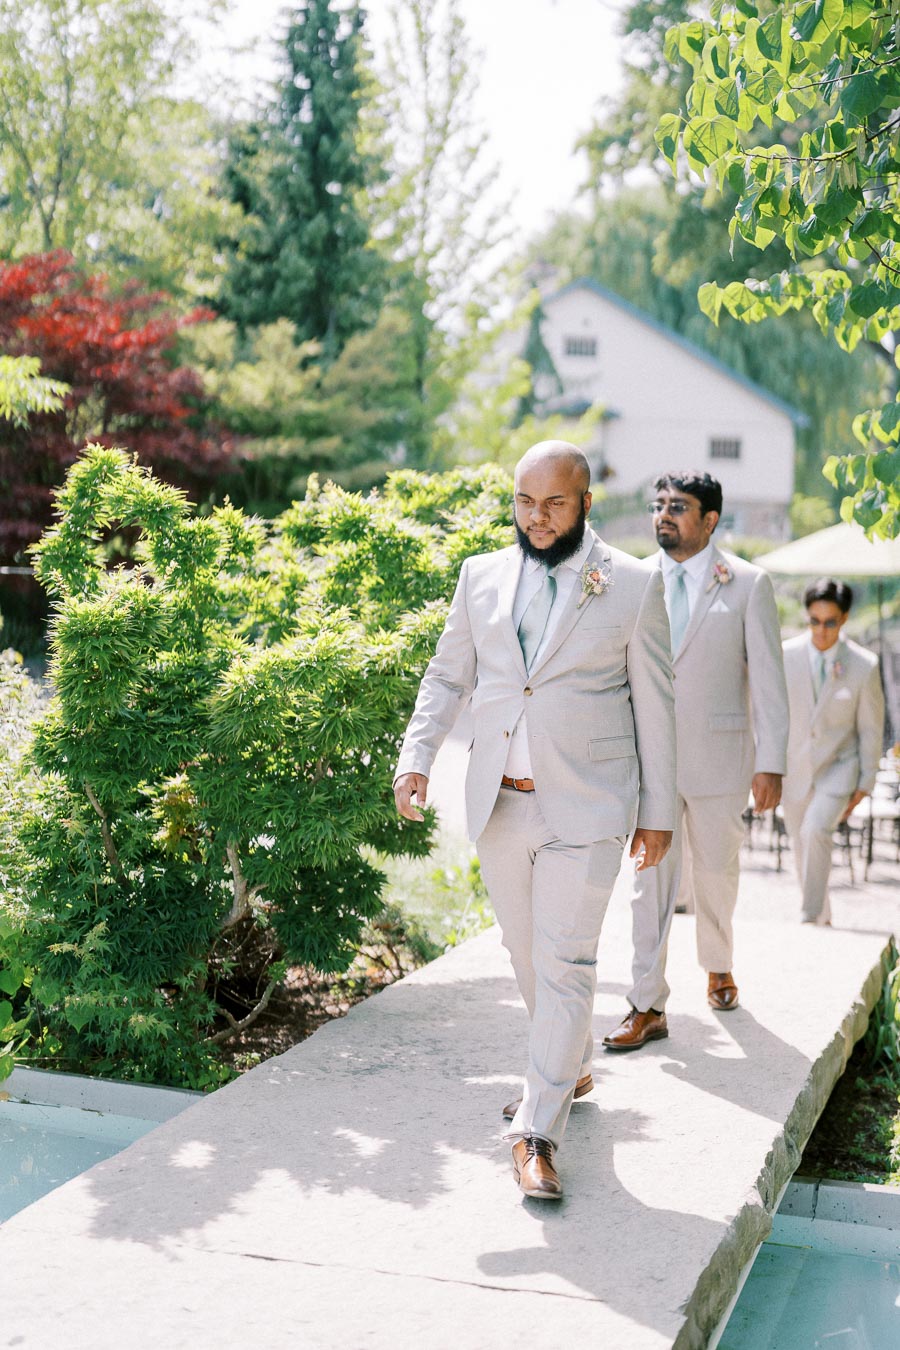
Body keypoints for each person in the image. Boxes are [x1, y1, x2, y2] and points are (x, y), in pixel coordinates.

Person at [394, 441, 675, 1200]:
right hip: (501, 802)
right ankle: (569, 1064)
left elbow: (656, 703)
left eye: (553, 503)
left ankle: (536, 1133)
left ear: (585, 502)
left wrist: (658, 813)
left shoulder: (634, 584)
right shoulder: (479, 576)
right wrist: (415, 757)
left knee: (567, 963)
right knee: (526, 958)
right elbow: (448, 673)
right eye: (524, 501)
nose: (536, 517)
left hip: (588, 808)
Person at [603, 471, 788, 1051]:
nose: (664, 515)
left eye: (678, 507)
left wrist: (772, 762)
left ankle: (718, 964)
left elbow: (769, 681)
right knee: (648, 883)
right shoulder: (633, 580)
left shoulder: (747, 584)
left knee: (715, 874)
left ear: (709, 519)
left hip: (721, 762)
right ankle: (646, 1003)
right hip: (649, 765)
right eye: (658, 505)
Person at [781, 577, 885, 925]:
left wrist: (866, 782)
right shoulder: (786, 656)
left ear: (843, 619)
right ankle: (822, 915)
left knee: (815, 830)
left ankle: (808, 916)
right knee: (800, 846)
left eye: (829, 622)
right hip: (794, 767)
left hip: (840, 768)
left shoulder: (863, 665)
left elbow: (871, 729)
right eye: (814, 620)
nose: (821, 630)